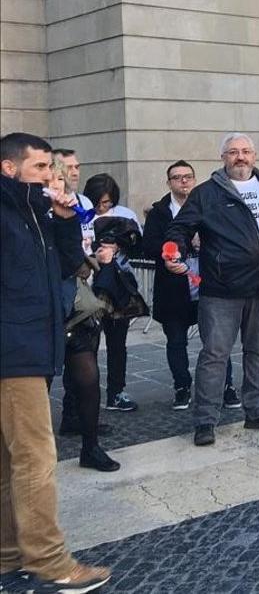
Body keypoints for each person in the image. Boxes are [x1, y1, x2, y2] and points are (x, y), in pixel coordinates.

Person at [0, 132, 112, 593]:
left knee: (10, 462)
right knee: (35, 458)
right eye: (42, 167)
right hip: (13, 351)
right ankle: (50, 561)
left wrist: (65, 219)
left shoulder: (34, 212)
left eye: (54, 168)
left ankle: (8, 556)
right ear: (10, 168)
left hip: (33, 345)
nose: (54, 176)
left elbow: (71, 267)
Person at [165, 133, 259, 446]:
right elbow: (180, 228)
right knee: (215, 354)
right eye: (233, 152)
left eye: (245, 151)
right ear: (223, 158)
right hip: (221, 290)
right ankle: (206, 421)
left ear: (254, 156)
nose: (240, 157)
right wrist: (174, 249)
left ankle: (257, 411)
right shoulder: (206, 194)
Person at [141, 160, 239, 411]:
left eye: (188, 176)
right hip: (173, 288)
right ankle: (182, 387)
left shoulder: (209, 205)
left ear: (195, 180)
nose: (183, 181)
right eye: (177, 177)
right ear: (169, 183)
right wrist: (176, 248)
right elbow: (148, 245)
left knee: (216, 341)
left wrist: (201, 243)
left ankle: (225, 387)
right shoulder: (159, 212)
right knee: (176, 341)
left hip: (208, 284)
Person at [48, 161, 120, 472]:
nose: (74, 173)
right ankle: (35, 448)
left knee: (88, 377)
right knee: (39, 383)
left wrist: (96, 256)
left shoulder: (79, 207)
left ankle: (90, 445)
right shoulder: (29, 209)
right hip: (42, 308)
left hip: (76, 303)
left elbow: (77, 249)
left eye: (76, 167)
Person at [82, 174, 141, 413]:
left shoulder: (125, 214)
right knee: (87, 346)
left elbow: (139, 244)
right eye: (98, 202)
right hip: (88, 286)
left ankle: (116, 392)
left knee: (118, 344)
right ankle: (86, 395)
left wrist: (120, 244)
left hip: (118, 286)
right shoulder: (82, 214)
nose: (101, 207)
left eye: (106, 202)